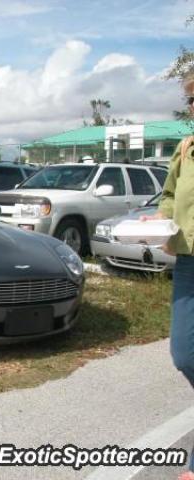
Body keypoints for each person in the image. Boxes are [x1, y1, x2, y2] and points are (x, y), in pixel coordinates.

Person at [142, 74, 194, 480]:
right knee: (185, 353)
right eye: (192, 100)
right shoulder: (186, 148)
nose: (193, 108)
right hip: (190, 262)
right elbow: (171, 195)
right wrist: (161, 223)